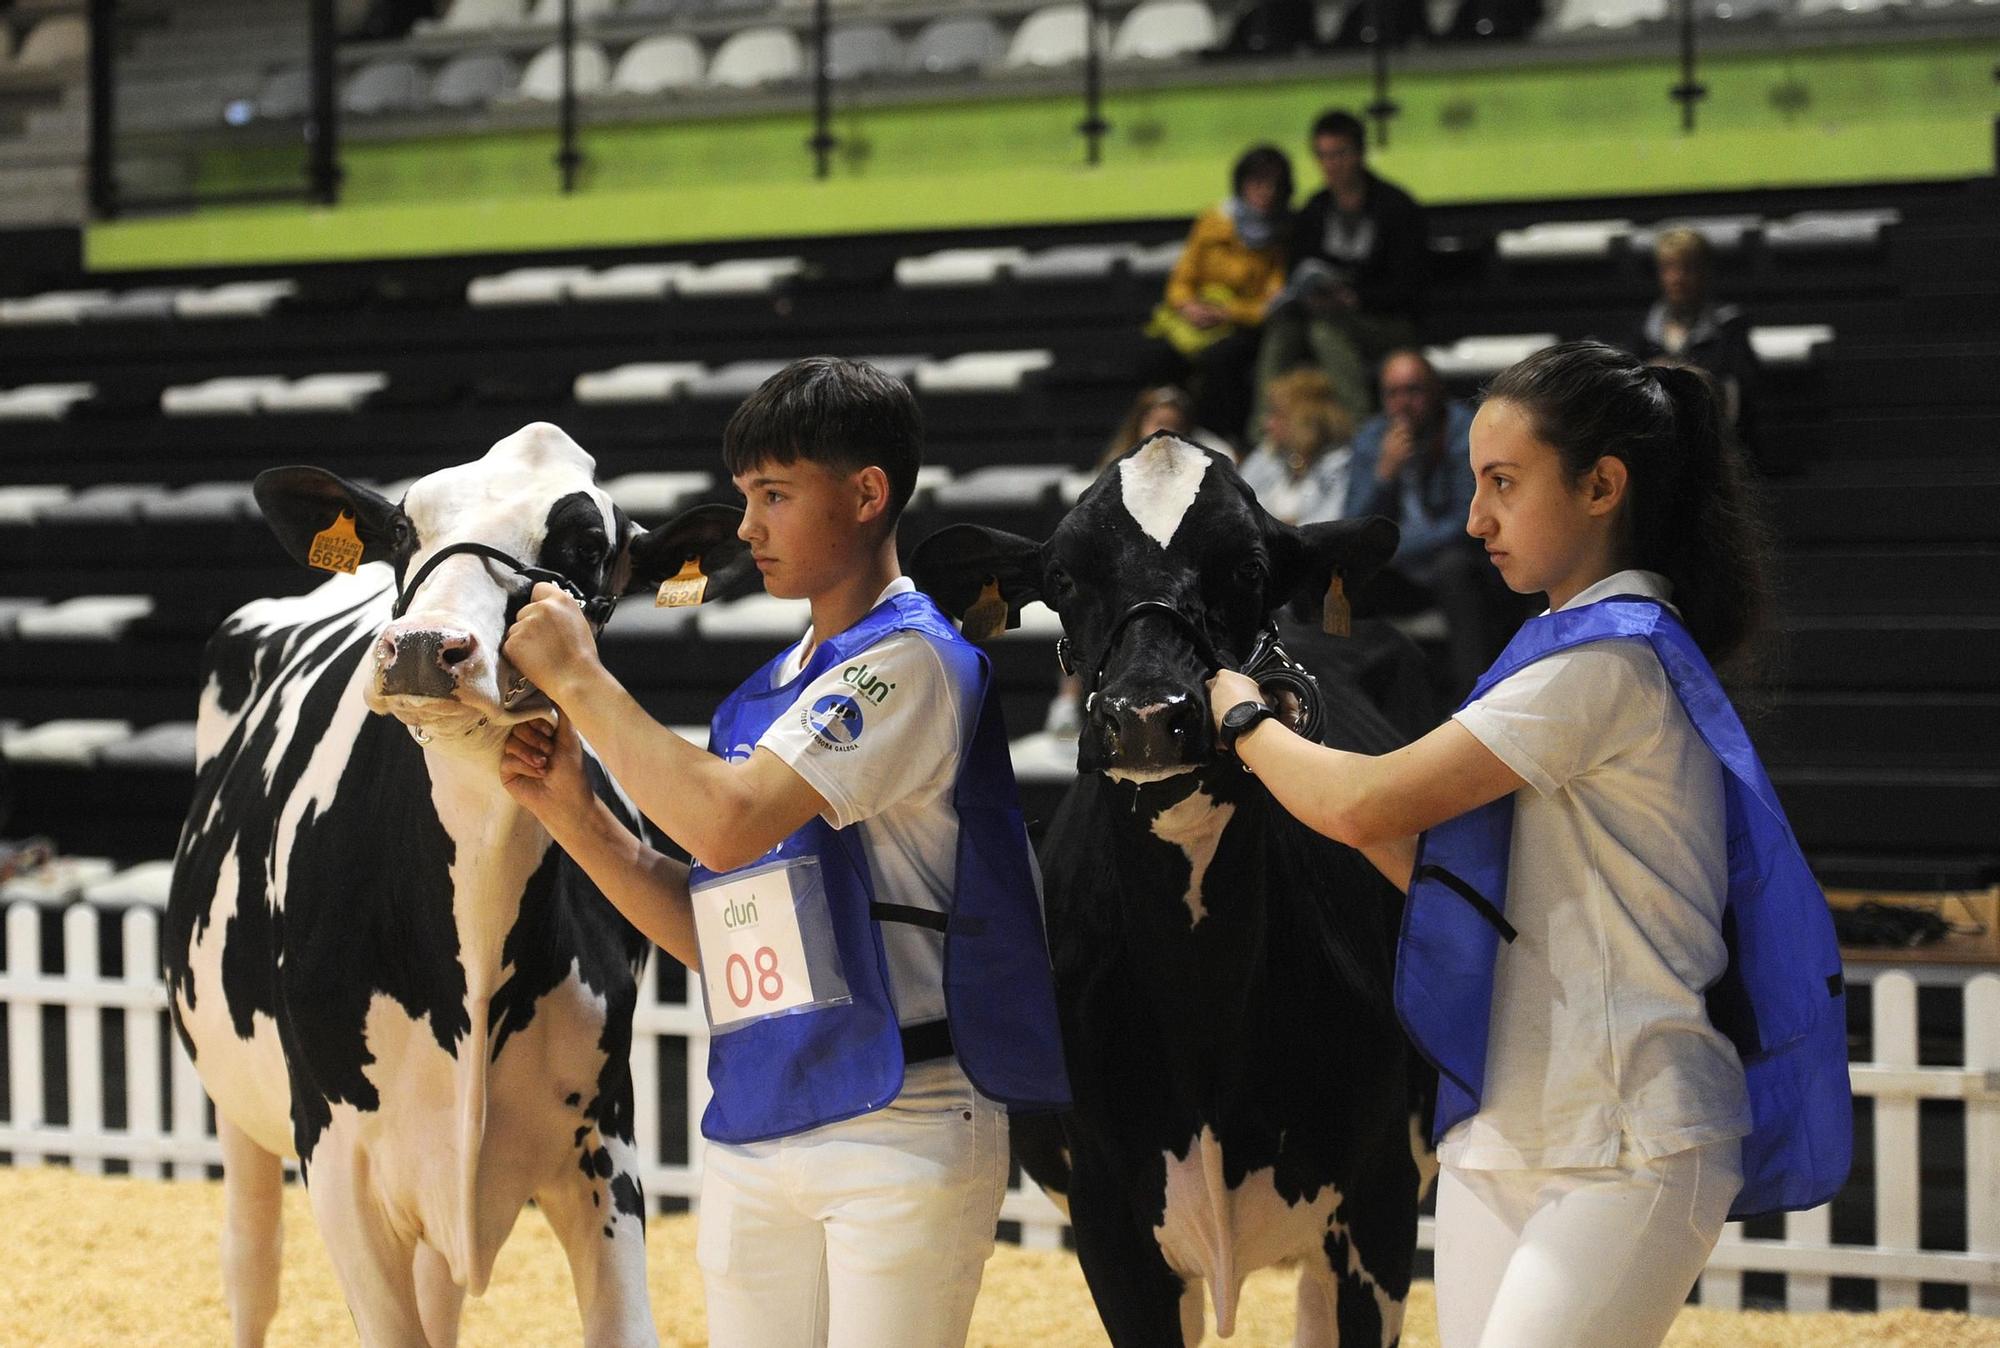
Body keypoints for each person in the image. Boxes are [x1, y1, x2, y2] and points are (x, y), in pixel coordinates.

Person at [1204, 341, 1851, 1348]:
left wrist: (1242, 719)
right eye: (1474, 482)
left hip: (1634, 1131)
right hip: (1507, 1121)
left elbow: (1366, 805)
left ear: (1601, 486)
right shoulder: (1555, 658)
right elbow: (1449, 881)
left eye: (1502, 483)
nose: (1473, 519)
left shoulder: (1605, 663)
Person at [498, 357, 1069, 1347]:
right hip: (757, 1113)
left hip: (902, 1117)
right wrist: (573, 812)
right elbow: (720, 931)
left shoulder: (914, 660)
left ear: (865, 494)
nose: (747, 528)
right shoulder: (757, 695)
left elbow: (725, 821)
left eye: (773, 494)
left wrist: (583, 682)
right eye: (742, 498)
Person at [1347, 348, 1513, 700]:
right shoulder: (1372, 438)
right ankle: (1351, 698)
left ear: (1436, 390)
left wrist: (1394, 549)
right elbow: (1352, 523)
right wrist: (1383, 476)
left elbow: (1466, 520)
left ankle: (1472, 700)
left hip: (1458, 562)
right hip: (1400, 569)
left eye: (1414, 391)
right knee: (1342, 578)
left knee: (1454, 567)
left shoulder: (1464, 430)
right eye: (1393, 393)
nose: (1403, 403)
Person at [1254, 108, 1427, 426]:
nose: (1331, 165)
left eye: (1339, 154)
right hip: (1323, 310)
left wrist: (1354, 298)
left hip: (1384, 320)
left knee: (1326, 331)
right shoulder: (1314, 210)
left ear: (1360, 153)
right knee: (1283, 330)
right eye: (1323, 156)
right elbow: (1298, 269)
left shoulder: (1396, 207)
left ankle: (1357, 426)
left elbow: (1407, 287)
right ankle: (1265, 429)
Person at [1139, 144, 1294, 446]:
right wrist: (1188, 306)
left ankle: (1220, 440)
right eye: (1257, 182)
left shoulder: (1285, 234)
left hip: (1244, 326)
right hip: (1197, 318)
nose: (1266, 192)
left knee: (1221, 362)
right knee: (1156, 356)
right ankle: (1158, 435)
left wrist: (1227, 313)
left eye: (1274, 185)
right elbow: (1182, 278)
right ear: (1242, 184)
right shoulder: (1213, 220)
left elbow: (1272, 303)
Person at [1628, 228, 1761, 443]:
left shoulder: (1728, 325)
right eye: (1669, 268)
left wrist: (1670, 372)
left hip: (1715, 443)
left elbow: (1740, 392)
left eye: (1687, 268)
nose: (1677, 278)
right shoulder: (1645, 328)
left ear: (1706, 272)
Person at [1236, 367, 1358, 526]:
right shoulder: (1267, 453)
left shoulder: (1341, 464)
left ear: (1305, 420)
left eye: (1276, 414)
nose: (1267, 424)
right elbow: (1236, 504)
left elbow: (1328, 527)